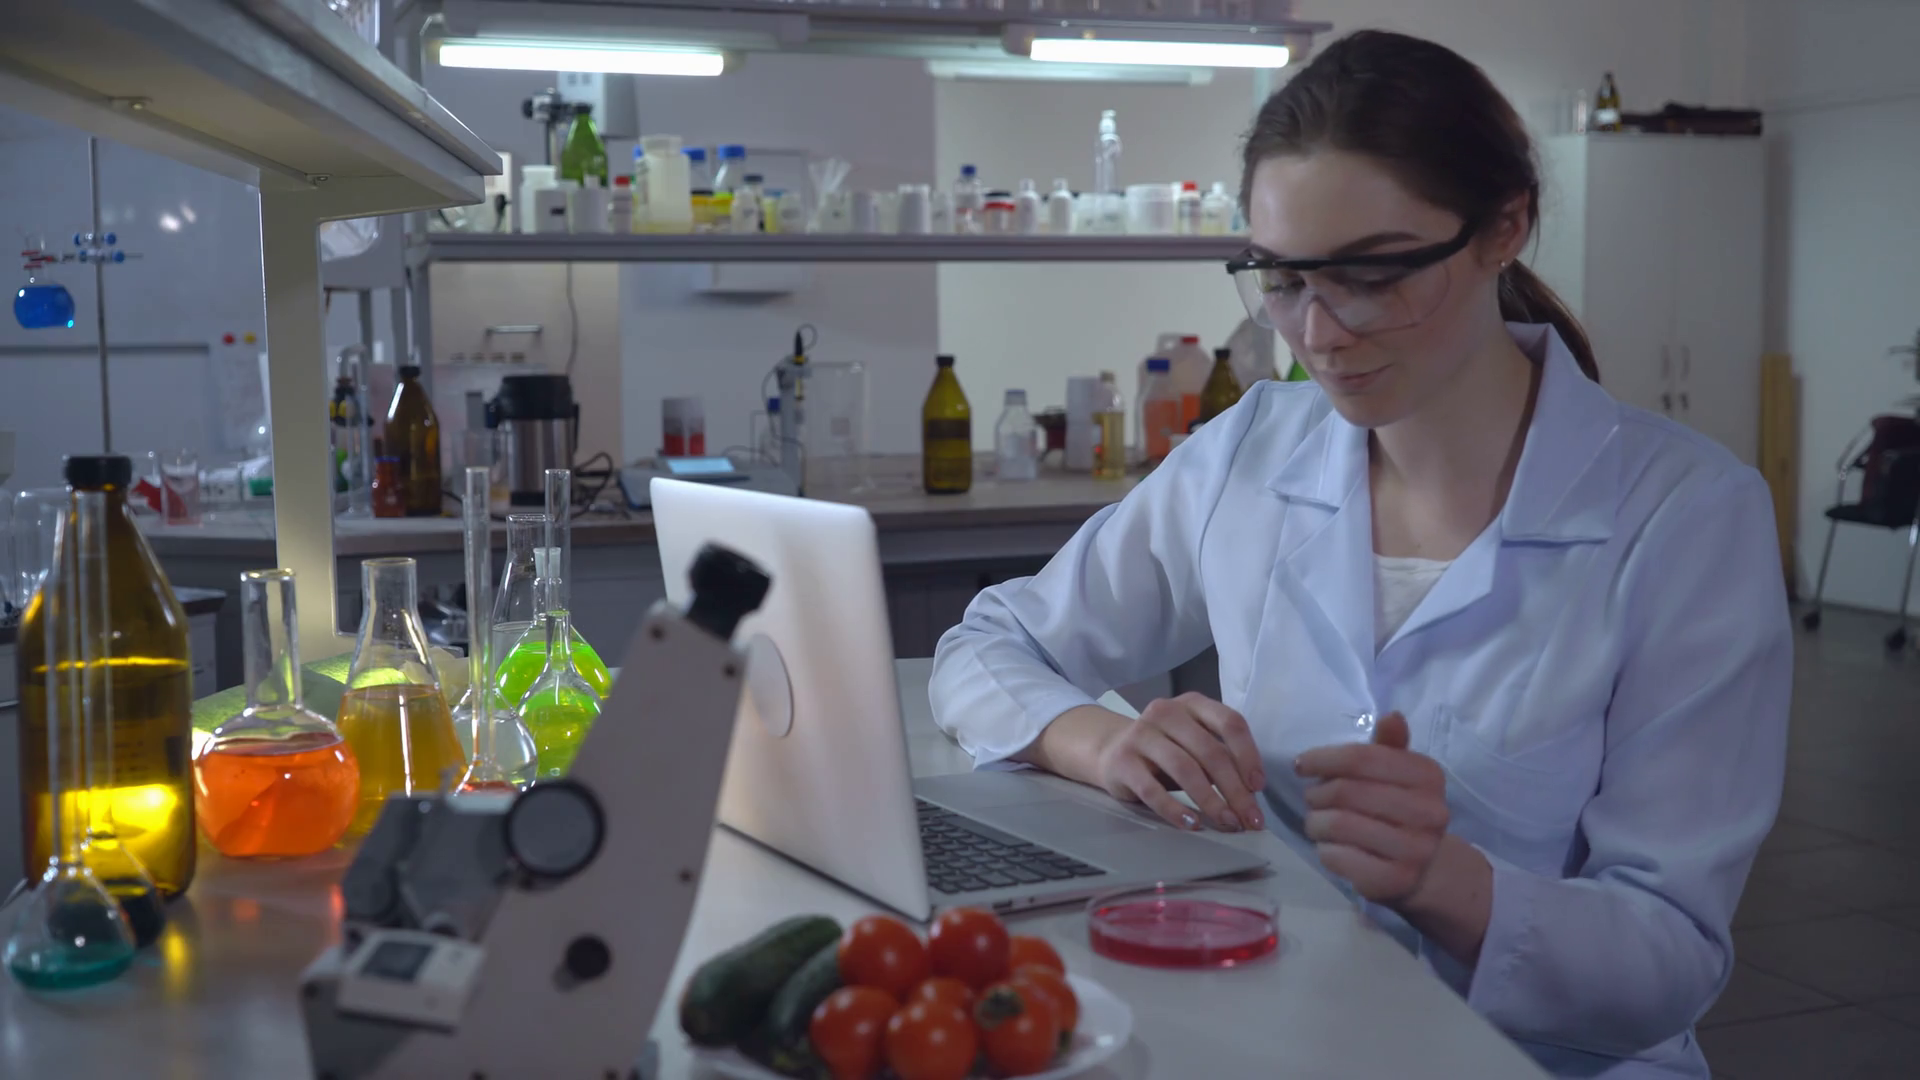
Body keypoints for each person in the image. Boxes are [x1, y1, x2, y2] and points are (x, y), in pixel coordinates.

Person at [929, 29, 1790, 1080]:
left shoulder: (1686, 517)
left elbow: (1669, 962)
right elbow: (988, 644)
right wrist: (1099, 743)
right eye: (1283, 280)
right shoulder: (1251, 451)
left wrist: (1449, 882)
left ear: (1504, 227)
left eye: (1372, 275)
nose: (1320, 332)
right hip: (1275, 1028)